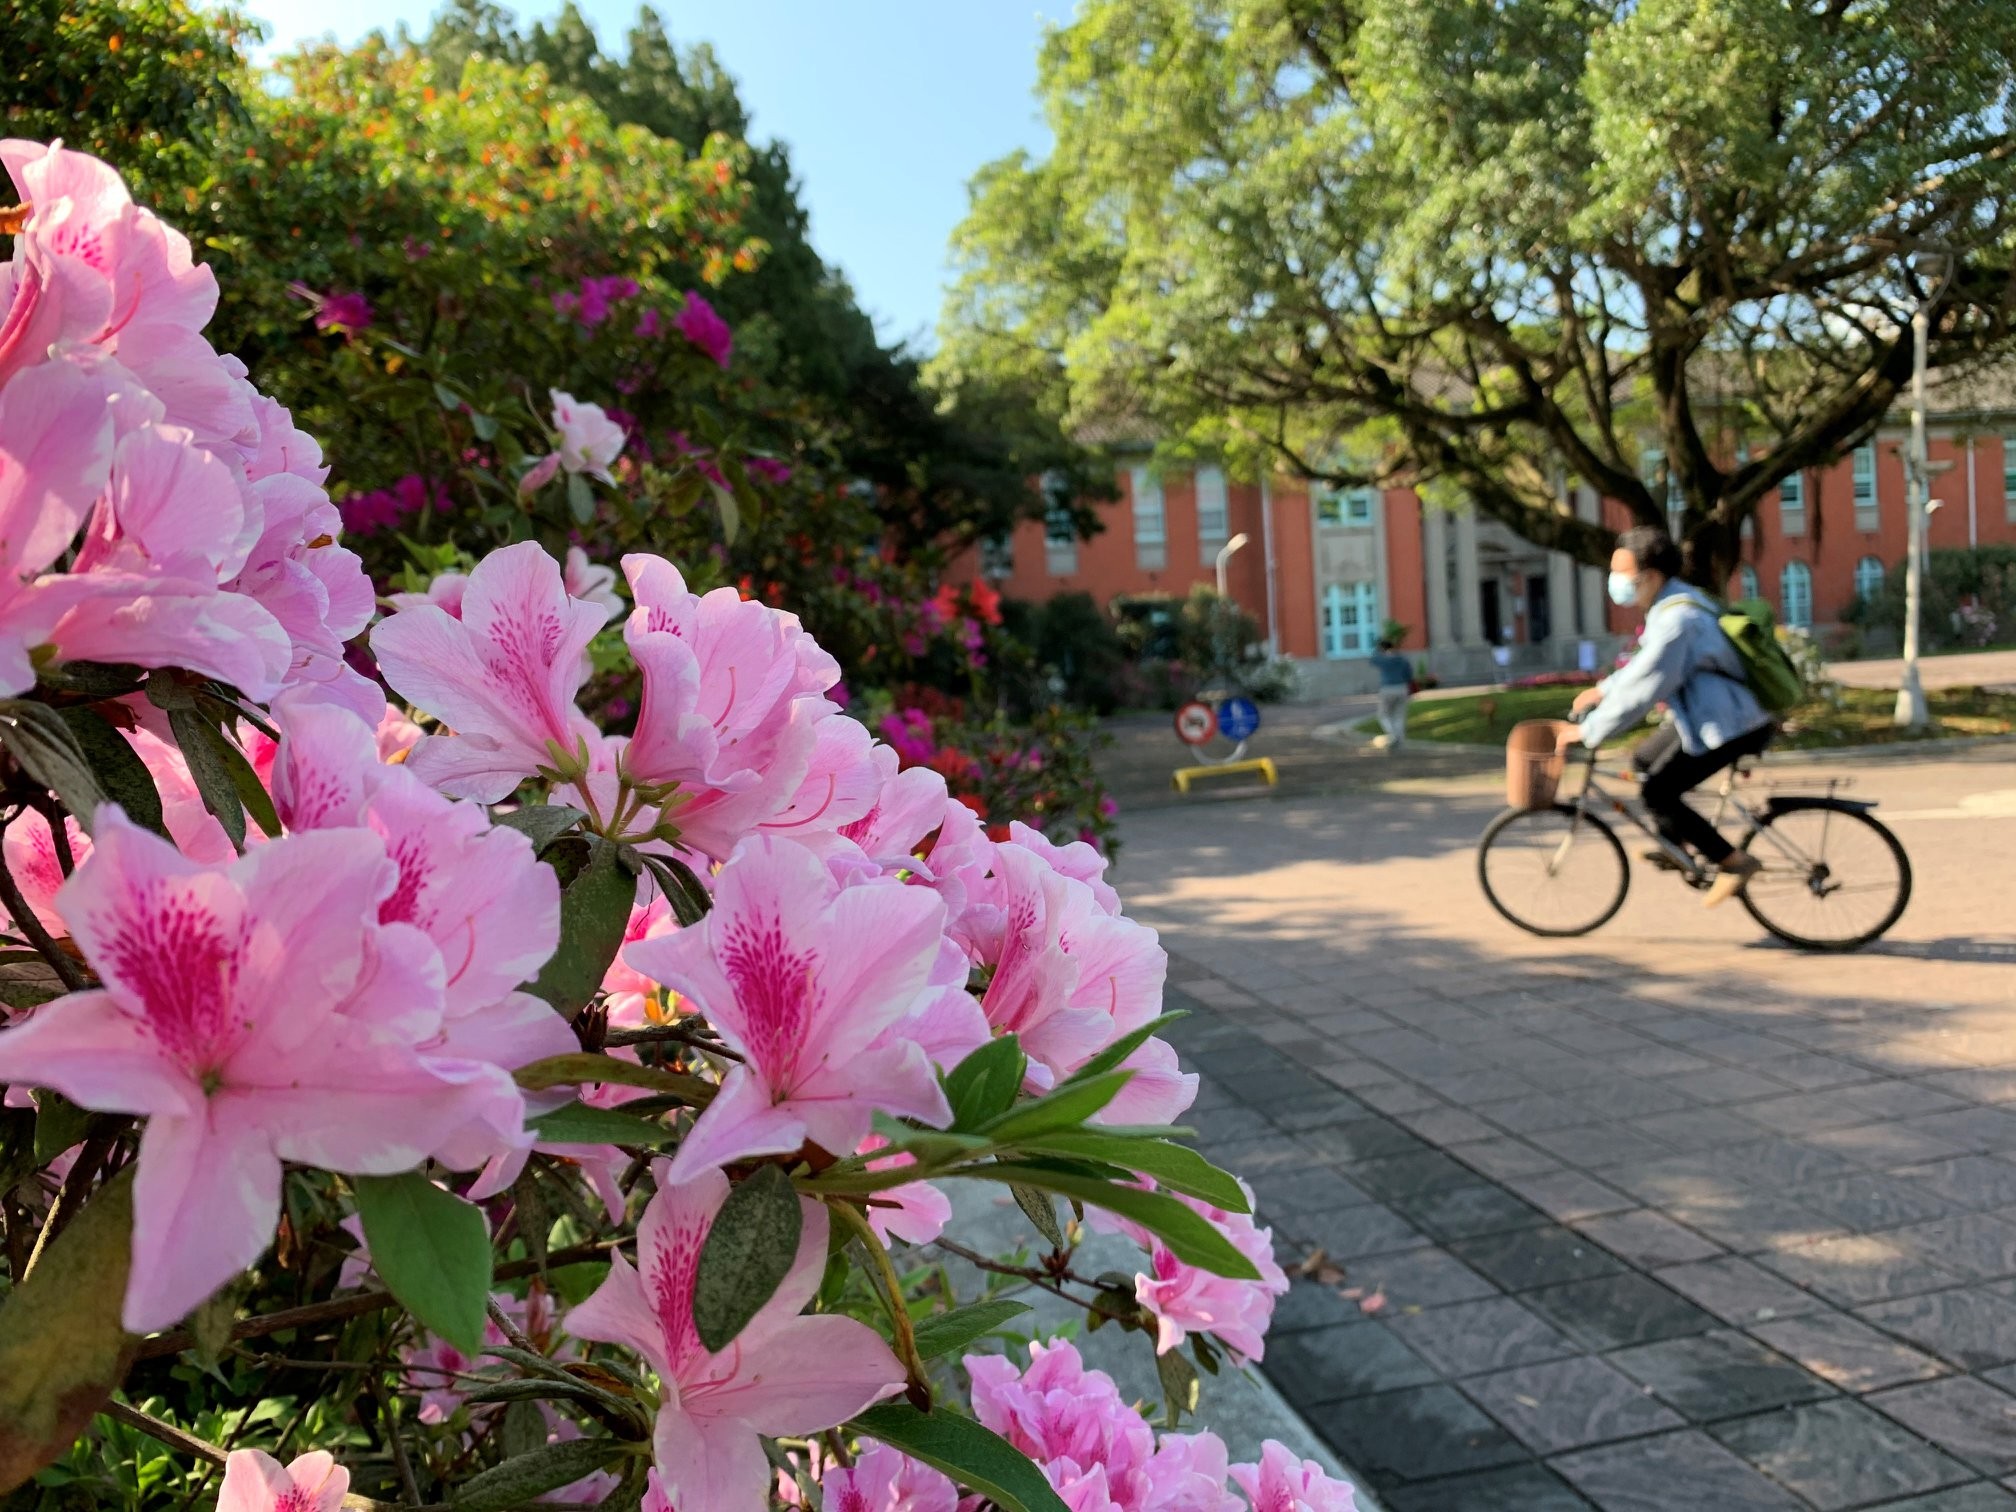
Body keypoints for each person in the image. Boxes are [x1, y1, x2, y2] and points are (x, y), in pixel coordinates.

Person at [1567, 525, 1775, 907]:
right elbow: (1642, 666)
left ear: (1650, 576)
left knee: (1658, 792)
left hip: (1731, 725)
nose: (1615, 582)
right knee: (1645, 758)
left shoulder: (1678, 621)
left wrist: (1590, 731)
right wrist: (1602, 690)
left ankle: (1734, 862)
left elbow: (1647, 685)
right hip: (1714, 717)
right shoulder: (1674, 604)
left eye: (1621, 573)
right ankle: (1675, 843)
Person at [1368, 637, 1414, 749]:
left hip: (1388, 688)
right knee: (1399, 715)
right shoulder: (1402, 659)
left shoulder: (1383, 660)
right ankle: (1400, 740)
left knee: (1383, 714)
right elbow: (1409, 674)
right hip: (1402, 688)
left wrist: (1377, 648)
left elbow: (1372, 659)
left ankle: (1393, 735)